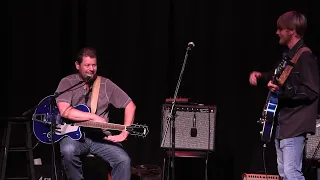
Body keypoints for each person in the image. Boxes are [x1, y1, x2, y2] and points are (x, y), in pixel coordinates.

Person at [249, 11, 319, 179]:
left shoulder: (305, 56)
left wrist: (284, 91)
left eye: (280, 29)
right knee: (284, 174)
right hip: (283, 124)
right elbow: (277, 76)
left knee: (291, 173)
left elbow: (312, 90)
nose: (277, 32)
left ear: (292, 31)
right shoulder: (290, 57)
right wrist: (262, 76)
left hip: (295, 124)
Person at [55, 47, 136, 180]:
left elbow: (130, 105)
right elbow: (64, 110)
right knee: (68, 151)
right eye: (87, 65)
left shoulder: (105, 84)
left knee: (123, 160)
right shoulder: (67, 83)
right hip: (75, 136)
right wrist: (93, 117)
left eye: (94, 65)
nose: (91, 69)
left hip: (100, 138)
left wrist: (124, 132)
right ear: (77, 65)